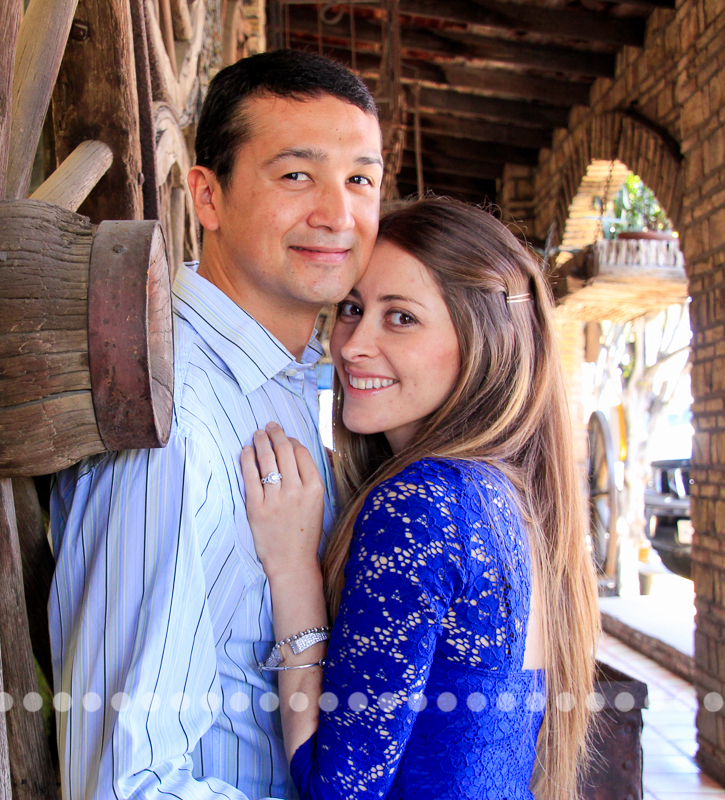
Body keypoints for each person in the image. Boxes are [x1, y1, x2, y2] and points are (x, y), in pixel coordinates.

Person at [49, 49, 384, 800]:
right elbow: (122, 783)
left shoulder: (292, 386)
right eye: (297, 174)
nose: (338, 213)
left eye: (360, 179)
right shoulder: (173, 424)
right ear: (207, 197)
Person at [240, 198, 601, 800]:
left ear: (484, 342)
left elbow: (340, 790)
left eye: (401, 317)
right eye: (353, 309)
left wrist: (291, 568)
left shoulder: (422, 507)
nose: (352, 345)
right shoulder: (506, 498)